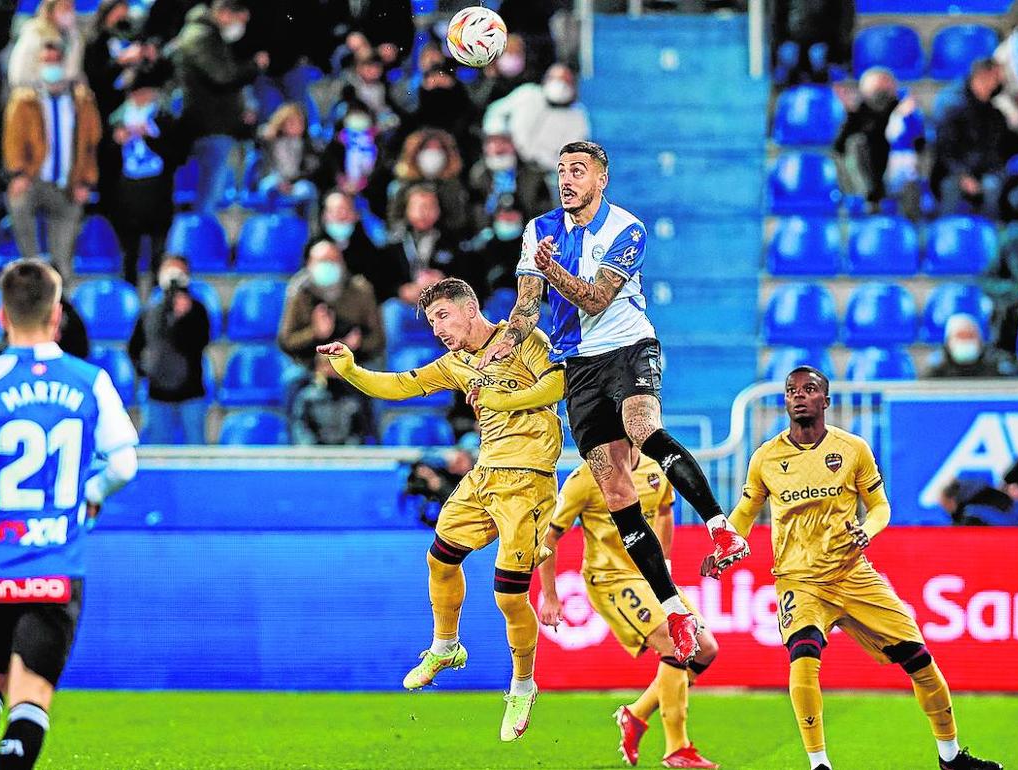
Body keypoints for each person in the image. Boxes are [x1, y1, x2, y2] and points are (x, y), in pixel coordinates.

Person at [484, 140, 750, 664]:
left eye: (578, 171)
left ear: (601, 179)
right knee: (616, 490)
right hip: (577, 367)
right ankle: (673, 609)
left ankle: (721, 529)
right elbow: (526, 308)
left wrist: (550, 267)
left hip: (629, 347)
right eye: (561, 170)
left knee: (643, 428)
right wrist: (500, 351)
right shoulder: (539, 230)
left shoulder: (627, 229)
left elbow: (595, 298)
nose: (567, 179)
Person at [713, 367, 1003, 770]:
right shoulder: (766, 457)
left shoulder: (852, 449)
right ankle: (819, 764)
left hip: (854, 575)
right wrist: (728, 542)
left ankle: (951, 757)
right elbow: (745, 512)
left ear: (825, 401)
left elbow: (881, 506)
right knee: (803, 657)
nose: (799, 396)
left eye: (809, 389)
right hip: (800, 580)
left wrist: (867, 530)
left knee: (920, 661)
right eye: (791, 390)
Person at [318, 277, 564, 742]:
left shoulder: (524, 337)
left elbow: (560, 383)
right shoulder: (456, 363)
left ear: (469, 309)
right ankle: (446, 645)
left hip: (528, 482)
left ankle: (523, 684)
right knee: (440, 557)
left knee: (510, 596)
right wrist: (350, 369)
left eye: (442, 317)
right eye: (432, 322)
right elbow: (399, 386)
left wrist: (502, 398)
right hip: (485, 476)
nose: (438, 330)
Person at [0, 258, 138, 770]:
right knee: (31, 696)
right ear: (57, 316)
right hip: (55, 564)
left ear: (2, 316)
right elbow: (124, 463)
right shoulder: (90, 381)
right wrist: (91, 492)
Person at [539, 455, 721, 769]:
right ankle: (677, 746)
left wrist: (664, 565)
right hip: (611, 579)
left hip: (651, 577)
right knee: (675, 643)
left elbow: (664, 511)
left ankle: (635, 714)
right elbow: (549, 537)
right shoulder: (586, 478)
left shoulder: (654, 468)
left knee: (705, 649)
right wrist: (551, 596)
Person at [3, 40, 102, 287]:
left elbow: (91, 144)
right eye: (46, 61)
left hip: (68, 183)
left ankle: (62, 309)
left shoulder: (82, 101)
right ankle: (30, 277)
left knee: (63, 261)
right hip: (34, 179)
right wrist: (18, 174)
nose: (51, 66)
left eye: (55, 61)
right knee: (18, 201)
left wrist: (86, 181)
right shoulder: (24, 101)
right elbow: (13, 141)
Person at [169, 0, 269, 214]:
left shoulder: (211, 36)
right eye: (239, 20)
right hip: (208, 125)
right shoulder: (200, 36)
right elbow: (222, 77)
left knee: (215, 193)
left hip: (217, 124)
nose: (240, 27)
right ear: (224, 13)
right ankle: (197, 242)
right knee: (208, 196)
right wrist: (253, 66)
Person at [107, 60, 186, 287]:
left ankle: (157, 298)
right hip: (128, 194)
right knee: (128, 254)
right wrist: (116, 142)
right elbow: (107, 160)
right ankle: (129, 296)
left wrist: (150, 138)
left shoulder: (166, 117)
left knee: (158, 253)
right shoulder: (116, 119)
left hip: (158, 194)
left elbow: (176, 156)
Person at [127, 257, 211, 445]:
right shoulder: (150, 311)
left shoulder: (197, 311)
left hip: (191, 394)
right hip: (157, 394)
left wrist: (184, 318)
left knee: (196, 450)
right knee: (158, 451)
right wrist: (145, 370)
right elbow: (135, 346)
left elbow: (201, 341)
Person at [931, 58, 1018, 220]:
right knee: (951, 187)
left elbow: (1000, 148)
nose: (1001, 82)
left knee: (993, 185)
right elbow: (946, 151)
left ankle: (991, 237)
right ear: (983, 76)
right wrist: (963, 176)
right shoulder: (952, 104)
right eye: (997, 77)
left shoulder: (993, 111)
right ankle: (945, 235)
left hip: (986, 171)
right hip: (953, 172)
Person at [833, 67, 925, 217]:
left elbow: (920, 144)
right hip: (868, 177)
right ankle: (871, 200)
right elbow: (839, 147)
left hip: (896, 173)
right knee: (857, 144)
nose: (881, 92)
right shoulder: (858, 112)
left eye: (885, 85)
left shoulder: (903, 110)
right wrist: (850, 115)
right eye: (876, 87)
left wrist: (907, 120)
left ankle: (910, 224)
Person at [277, 239, 383, 367]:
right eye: (322, 261)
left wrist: (357, 342)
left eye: (332, 260)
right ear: (309, 264)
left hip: (355, 363)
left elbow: (378, 340)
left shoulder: (361, 290)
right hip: (309, 364)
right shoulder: (299, 292)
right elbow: (286, 342)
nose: (327, 266)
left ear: (342, 263)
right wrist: (315, 332)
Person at [482, 64, 590, 172]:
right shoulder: (527, 94)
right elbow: (496, 111)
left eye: (564, 80)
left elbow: (496, 110)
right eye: (554, 79)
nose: (560, 85)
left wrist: (496, 131)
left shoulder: (577, 117)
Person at [387, 185, 482, 305]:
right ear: (407, 210)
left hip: (445, 302)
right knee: (392, 309)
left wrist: (445, 281)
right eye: (419, 207)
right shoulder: (394, 242)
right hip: (408, 304)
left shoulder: (453, 240)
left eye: (430, 207)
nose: (425, 212)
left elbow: (472, 276)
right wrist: (400, 290)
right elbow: (382, 280)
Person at [387, 128, 470, 236]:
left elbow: (458, 222)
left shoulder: (453, 187)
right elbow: (394, 221)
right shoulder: (400, 186)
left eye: (438, 148)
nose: (433, 153)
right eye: (427, 148)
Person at [316, 190, 391, 301]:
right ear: (324, 216)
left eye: (345, 209)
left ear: (356, 215)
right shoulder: (314, 249)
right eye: (335, 211)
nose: (341, 215)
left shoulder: (369, 249)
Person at [468, 132, 552, 231]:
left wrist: (495, 158)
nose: (507, 214)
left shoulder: (483, 189)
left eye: (504, 219)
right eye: (511, 220)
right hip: (522, 140)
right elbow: (538, 171)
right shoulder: (530, 198)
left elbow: (478, 175)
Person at [287, 353, 376, 446]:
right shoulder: (307, 398)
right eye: (326, 365)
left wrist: (348, 452)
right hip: (315, 454)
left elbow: (360, 430)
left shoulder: (354, 397)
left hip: (348, 455)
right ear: (318, 368)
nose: (331, 370)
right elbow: (300, 427)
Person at [247, 102, 320, 213]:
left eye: (300, 122)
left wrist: (291, 183)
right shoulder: (269, 141)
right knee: (268, 187)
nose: (297, 126)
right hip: (273, 179)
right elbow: (256, 137)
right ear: (282, 123)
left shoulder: (309, 144)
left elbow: (311, 169)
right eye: (292, 122)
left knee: (308, 190)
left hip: (296, 182)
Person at [6, 0, 83, 90]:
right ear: (50, 11)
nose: (69, 11)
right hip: (33, 92)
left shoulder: (74, 36)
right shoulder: (33, 32)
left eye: (71, 7)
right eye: (64, 7)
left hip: (64, 93)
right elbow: (18, 74)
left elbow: (74, 72)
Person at [925, 314, 1018, 379]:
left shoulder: (997, 370)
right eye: (961, 336)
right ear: (948, 342)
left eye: (970, 336)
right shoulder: (936, 373)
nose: (966, 341)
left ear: (980, 341)